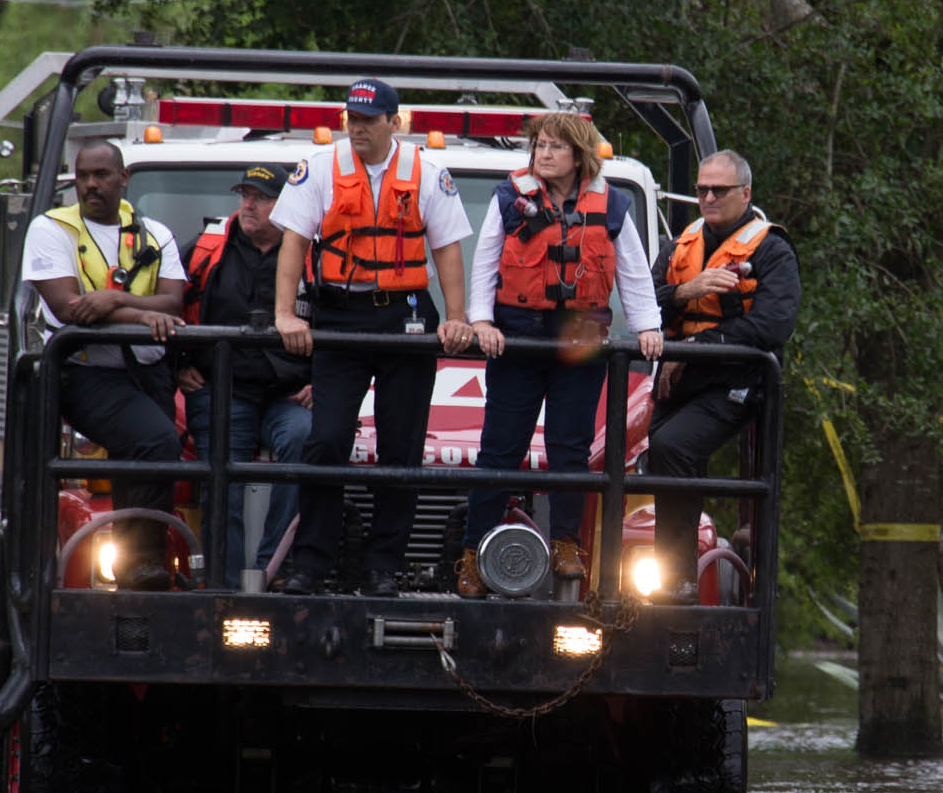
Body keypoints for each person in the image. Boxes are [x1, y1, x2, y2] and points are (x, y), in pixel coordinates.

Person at [269, 77, 477, 596]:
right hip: (340, 316)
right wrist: (285, 315)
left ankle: (385, 565)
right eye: (351, 118)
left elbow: (447, 249)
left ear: (394, 122)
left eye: (368, 119)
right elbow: (293, 243)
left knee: (401, 446)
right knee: (327, 439)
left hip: (405, 317)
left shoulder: (427, 173)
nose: (357, 128)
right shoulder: (319, 168)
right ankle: (312, 562)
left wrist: (456, 317)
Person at [458, 113, 664, 597]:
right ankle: (471, 555)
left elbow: (632, 270)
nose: (543, 154)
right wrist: (481, 321)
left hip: (579, 345)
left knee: (570, 450)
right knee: (499, 450)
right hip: (519, 340)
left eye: (554, 147)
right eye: (539, 146)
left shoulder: (610, 205)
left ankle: (566, 546)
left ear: (578, 155)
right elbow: (486, 259)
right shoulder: (510, 198)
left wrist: (648, 326)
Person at [21, 137, 188, 587]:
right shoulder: (51, 229)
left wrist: (111, 299)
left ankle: (193, 564)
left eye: (101, 175)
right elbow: (67, 307)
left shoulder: (157, 234)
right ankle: (142, 564)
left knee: (170, 451)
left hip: (152, 370)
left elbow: (173, 303)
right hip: (87, 372)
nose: (90, 186)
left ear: (123, 179)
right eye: (83, 176)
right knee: (155, 442)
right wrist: (139, 311)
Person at [646, 149, 798, 599]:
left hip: (737, 381)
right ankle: (662, 575)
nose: (708, 197)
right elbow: (643, 299)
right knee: (646, 452)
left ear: (745, 193)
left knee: (673, 446)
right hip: (680, 379)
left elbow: (772, 325)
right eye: (701, 190)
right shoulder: (682, 243)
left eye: (720, 190)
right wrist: (683, 293)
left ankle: (677, 580)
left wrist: (694, 348)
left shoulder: (772, 249)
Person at [178, 163, 314, 588]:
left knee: (306, 439)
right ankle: (225, 588)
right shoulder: (206, 248)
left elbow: (346, 323)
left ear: (287, 204)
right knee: (221, 474)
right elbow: (166, 304)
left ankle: (274, 573)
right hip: (222, 389)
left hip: (288, 395)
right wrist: (177, 363)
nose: (248, 204)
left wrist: (323, 383)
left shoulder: (317, 256)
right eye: (245, 194)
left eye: (261, 196)